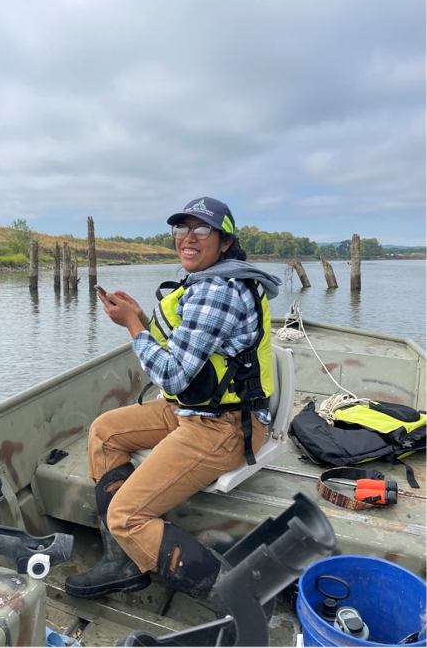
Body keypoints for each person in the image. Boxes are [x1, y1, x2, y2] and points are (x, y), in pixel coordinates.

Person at [65, 197, 281, 611]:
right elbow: (185, 351)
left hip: (223, 426)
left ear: (225, 241)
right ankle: (123, 562)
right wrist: (141, 317)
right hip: (194, 410)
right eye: (181, 229)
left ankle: (240, 598)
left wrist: (131, 326)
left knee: (127, 516)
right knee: (105, 432)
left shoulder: (218, 290)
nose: (188, 238)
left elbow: (173, 376)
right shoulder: (210, 280)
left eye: (201, 231)